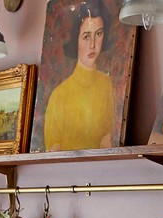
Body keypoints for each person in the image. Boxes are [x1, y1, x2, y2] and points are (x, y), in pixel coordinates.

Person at [44, 0, 115, 151]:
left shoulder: (107, 84)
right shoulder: (59, 96)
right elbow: (52, 156)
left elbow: (110, 138)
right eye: (86, 36)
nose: (93, 44)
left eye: (99, 34)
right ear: (76, 40)